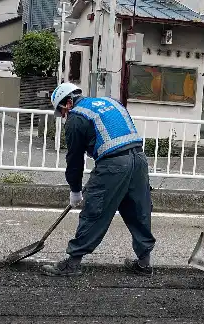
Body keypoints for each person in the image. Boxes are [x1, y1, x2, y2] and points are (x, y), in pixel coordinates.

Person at [41, 82, 156, 277]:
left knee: (94, 210)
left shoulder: (76, 117)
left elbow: (75, 160)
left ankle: (73, 263)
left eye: (61, 112)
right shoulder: (111, 102)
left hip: (114, 165)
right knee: (138, 210)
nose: (63, 117)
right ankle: (144, 264)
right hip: (139, 160)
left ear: (68, 103)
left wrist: (75, 190)